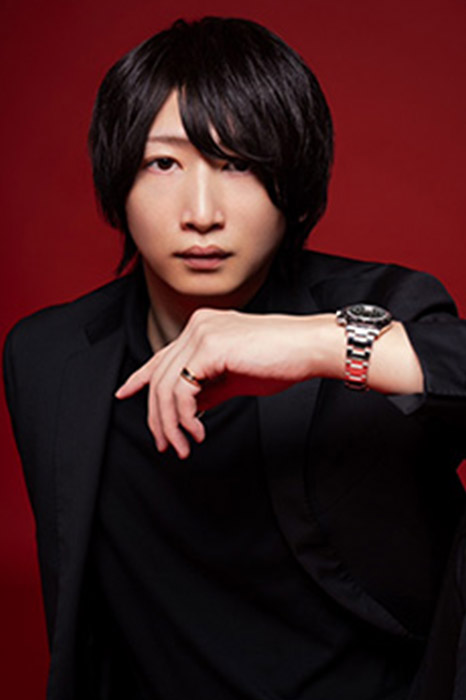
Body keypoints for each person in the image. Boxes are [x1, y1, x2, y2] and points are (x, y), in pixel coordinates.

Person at [3, 16, 466, 700]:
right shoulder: (49, 358)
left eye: (239, 163)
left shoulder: (380, 306)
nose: (201, 213)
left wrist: (318, 344)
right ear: (118, 178)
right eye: (164, 163)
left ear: (294, 183)